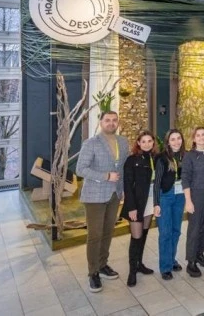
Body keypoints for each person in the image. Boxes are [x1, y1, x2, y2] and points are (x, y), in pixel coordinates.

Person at [76, 111, 129, 293]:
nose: (111, 123)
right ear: (101, 122)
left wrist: (123, 189)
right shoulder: (91, 143)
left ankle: (102, 265)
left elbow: (123, 168)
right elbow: (81, 169)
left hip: (114, 195)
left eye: (114, 120)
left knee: (107, 232)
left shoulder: (123, 142)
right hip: (95, 196)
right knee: (95, 235)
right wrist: (106, 176)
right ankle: (93, 273)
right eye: (107, 120)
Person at [121, 130, 157, 287]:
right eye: (143, 141)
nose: (147, 144)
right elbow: (127, 185)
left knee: (144, 235)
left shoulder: (155, 158)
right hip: (136, 203)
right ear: (138, 143)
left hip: (150, 201)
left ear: (153, 142)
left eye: (149, 141)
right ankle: (132, 271)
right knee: (136, 237)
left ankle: (139, 264)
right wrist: (131, 207)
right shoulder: (131, 160)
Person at [181, 127, 204, 277]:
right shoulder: (189, 156)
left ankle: (200, 254)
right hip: (196, 195)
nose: (201, 137)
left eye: (203, 135)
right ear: (194, 138)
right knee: (194, 228)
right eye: (198, 135)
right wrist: (188, 201)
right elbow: (185, 179)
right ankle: (191, 262)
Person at [153, 129, 186, 280]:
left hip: (180, 196)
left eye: (178, 138)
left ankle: (171, 260)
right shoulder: (161, 158)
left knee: (176, 231)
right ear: (168, 142)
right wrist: (156, 203)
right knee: (165, 233)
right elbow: (157, 182)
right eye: (173, 139)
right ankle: (165, 267)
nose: (176, 142)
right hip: (165, 196)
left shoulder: (185, 155)